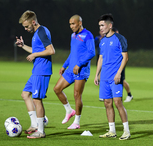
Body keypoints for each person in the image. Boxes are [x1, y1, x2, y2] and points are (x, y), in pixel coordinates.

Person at [15, 10, 55, 138]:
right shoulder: (36, 33)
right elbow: (36, 50)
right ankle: (34, 125)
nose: (26, 29)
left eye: (27, 26)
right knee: (25, 94)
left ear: (33, 22)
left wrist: (34, 55)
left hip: (42, 71)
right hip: (36, 70)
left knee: (37, 99)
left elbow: (51, 50)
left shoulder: (42, 31)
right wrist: (23, 46)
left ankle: (41, 131)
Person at [53, 15, 95, 129]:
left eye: (73, 24)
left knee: (77, 95)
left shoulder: (88, 35)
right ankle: (69, 110)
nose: (71, 26)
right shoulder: (73, 35)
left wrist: (79, 64)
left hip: (81, 70)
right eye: (70, 24)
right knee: (57, 89)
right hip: (70, 69)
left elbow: (91, 52)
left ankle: (76, 122)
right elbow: (73, 53)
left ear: (80, 23)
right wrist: (64, 65)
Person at [94, 14, 131, 140]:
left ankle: (126, 131)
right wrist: (97, 74)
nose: (101, 28)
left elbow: (125, 58)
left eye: (102, 25)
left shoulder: (120, 38)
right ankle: (112, 131)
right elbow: (101, 58)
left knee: (118, 102)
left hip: (115, 77)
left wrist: (119, 73)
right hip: (104, 77)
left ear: (110, 25)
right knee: (107, 103)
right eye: (99, 25)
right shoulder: (102, 41)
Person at [112, 27, 133, 102]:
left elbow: (125, 55)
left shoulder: (121, 40)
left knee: (122, 80)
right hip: (113, 65)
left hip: (120, 64)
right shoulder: (111, 40)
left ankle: (129, 95)